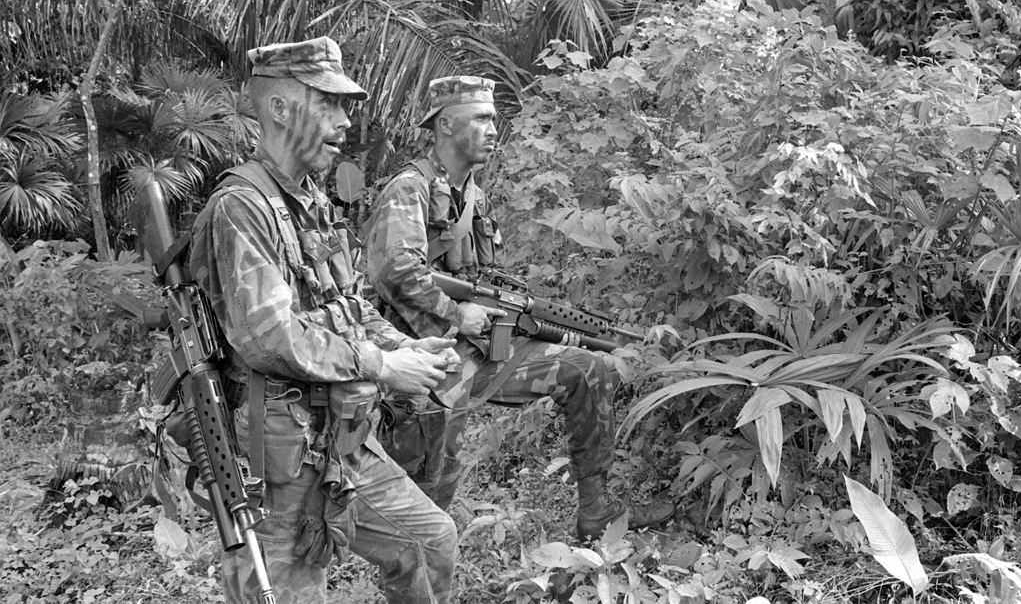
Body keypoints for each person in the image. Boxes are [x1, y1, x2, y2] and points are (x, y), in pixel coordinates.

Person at [189, 37, 459, 604]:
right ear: (280, 108)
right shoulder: (241, 207)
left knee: (430, 544)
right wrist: (384, 365)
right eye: (329, 105)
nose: (345, 121)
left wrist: (411, 348)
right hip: (277, 456)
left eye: (346, 107)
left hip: (341, 436)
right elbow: (270, 337)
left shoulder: (310, 199)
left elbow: (349, 303)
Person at [362, 75, 676, 541]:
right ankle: (416, 546)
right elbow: (394, 272)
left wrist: (517, 317)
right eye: (482, 118)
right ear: (446, 125)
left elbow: (483, 282)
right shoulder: (410, 189)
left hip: (475, 348)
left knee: (586, 367)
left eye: (494, 118)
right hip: (419, 356)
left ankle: (596, 510)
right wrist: (456, 314)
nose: (493, 129)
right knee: (434, 480)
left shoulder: (475, 198)